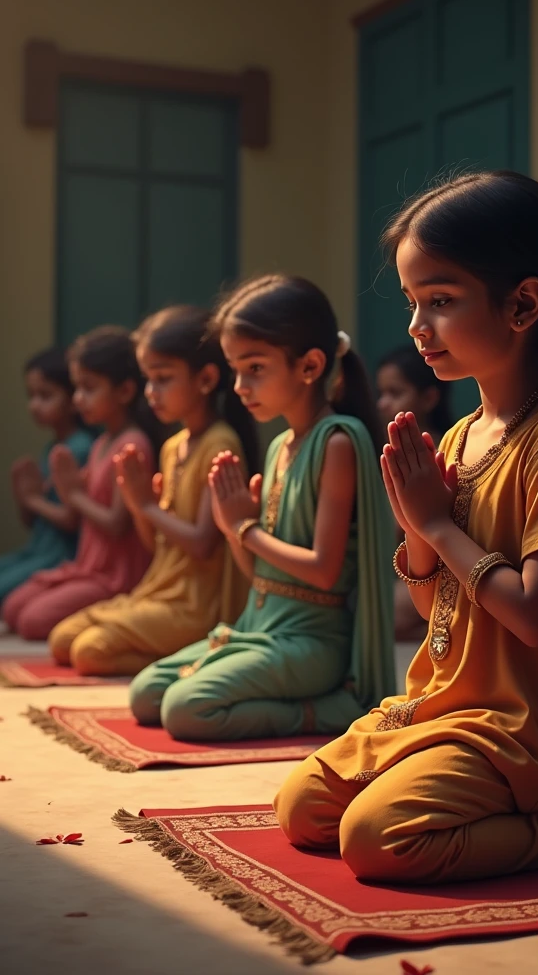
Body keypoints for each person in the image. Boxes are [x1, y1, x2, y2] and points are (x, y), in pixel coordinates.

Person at [275, 171, 538, 887]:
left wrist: (437, 521)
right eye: (411, 303)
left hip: (524, 727)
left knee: (376, 841)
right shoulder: (463, 433)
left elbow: (532, 616)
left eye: (439, 300)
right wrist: (418, 527)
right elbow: (433, 590)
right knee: (302, 809)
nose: (415, 326)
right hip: (447, 700)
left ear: (523, 304)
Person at [129, 274, 395, 742]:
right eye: (235, 369)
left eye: (254, 368)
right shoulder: (279, 448)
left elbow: (324, 572)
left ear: (310, 366)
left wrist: (244, 527)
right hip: (261, 627)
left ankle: (331, 709)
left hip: (311, 644)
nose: (239, 386)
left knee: (186, 709)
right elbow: (261, 579)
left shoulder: (337, 441)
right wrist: (233, 531)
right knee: (146, 694)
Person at [48, 305, 258, 676]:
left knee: (89, 652)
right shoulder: (172, 445)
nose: (151, 392)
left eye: (162, 379)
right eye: (148, 379)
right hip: (158, 591)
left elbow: (202, 543)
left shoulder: (220, 444)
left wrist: (146, 504)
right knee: (62, 639)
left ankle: (190, 655)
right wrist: (138, 504)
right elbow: (156, 545)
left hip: (194, 605)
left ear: (206, 380)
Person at [3, 327, 156, 640]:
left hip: (114, 576)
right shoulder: (101, 444)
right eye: (76, 389)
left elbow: (116, 523)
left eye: (88, 389)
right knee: (14, 608)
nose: (78, 399)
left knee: (32, 621)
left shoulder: (133, 444)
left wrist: (72, 494)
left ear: (125, 392)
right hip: (87, 568)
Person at [0, 348, 94, 606]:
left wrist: (32, 499)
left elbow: (72, 520)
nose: (35, 405)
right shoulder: (51, 447)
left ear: (71, 398)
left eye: (46, 396)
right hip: (37, 550)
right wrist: (22, 495)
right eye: (31, 396)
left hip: (61, 556)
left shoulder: (80, 448)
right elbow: (32, 522)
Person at [377, 344, 452, 644]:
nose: (382, 403)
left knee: (378, 618)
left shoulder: (434, 451)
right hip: (410, 571)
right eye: (380, 393)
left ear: (430, 397)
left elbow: (396, 529)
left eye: (395, 393)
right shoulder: (393, 451)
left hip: (441, 573)